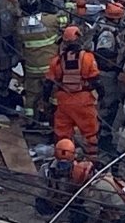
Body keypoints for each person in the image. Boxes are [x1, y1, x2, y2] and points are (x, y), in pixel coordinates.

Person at [43, 26, 101, 160]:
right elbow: (96, 80)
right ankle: (92, 161)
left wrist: (45, 101)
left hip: (64, 102)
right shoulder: (87, 58)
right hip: (84, 100)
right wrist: (101, 96)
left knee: (63, 133)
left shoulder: (57, 61)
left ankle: (64, 159)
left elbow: (48, 84)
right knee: (90, 133)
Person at [94, 1, 125, 142]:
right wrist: (118, 60)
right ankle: (102, 135)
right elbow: (103, 52)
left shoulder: (117, 28)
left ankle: (105, 131)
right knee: (108, 104)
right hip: (107, 74)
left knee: (115, 103)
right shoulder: (107, 33)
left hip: (114, 73)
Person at [0, 0, 25, 113]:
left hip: (16, 41)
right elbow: (6, 30)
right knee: (4, 72)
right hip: (7, 43)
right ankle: (2, 102)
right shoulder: (4, 6)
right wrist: (12, 48)